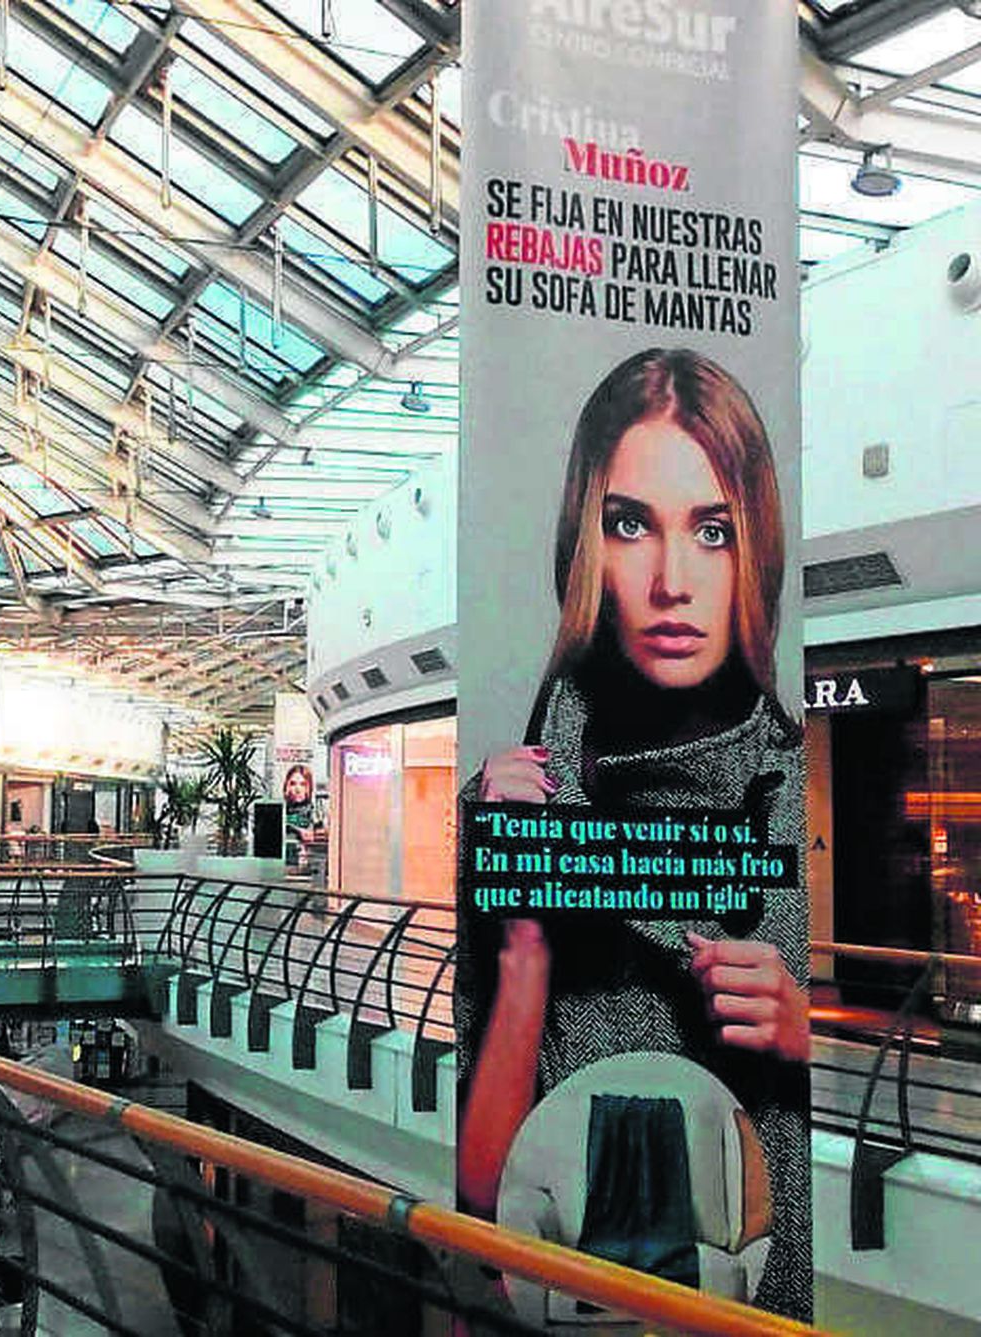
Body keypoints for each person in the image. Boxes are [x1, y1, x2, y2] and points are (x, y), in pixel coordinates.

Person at [455, 348, 810, 1318]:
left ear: (755, 546)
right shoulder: (513, 797)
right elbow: (484, 1202)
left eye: (710, 528)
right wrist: (524, 952)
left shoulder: (781, 787)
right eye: (629, 523)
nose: (668, 579)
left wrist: (798, 1033)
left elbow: (772, 1217)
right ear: (586, 543)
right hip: (570, 1297)